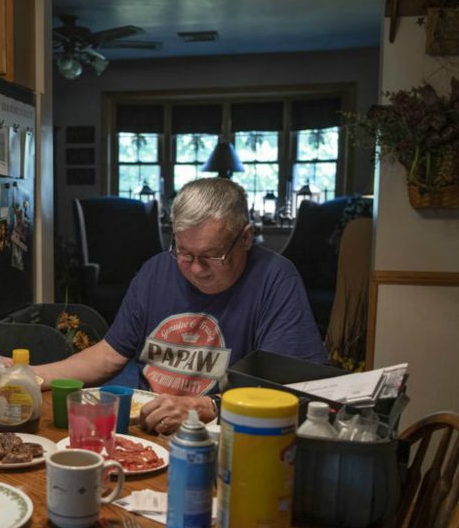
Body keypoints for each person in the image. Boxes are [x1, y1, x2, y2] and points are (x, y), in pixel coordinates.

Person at [35, 177, 326, 435]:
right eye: (184, 253)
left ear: (246, 237)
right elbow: (110, 354)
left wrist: (207, 407)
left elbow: (291, 390)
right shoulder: (156, 270)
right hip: (144, 428)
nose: (196, 269)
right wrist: (30, 375)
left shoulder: (275, 278)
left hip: (222, 436)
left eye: (212, 256)